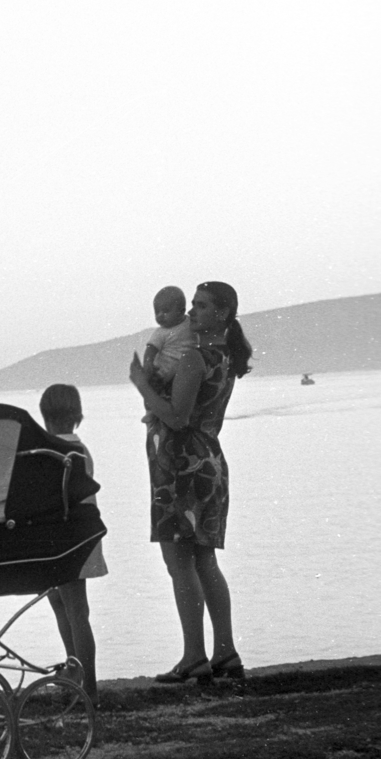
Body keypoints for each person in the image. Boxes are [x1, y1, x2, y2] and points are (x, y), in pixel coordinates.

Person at [129, 280, 253, 685]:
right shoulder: (224, 357)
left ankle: (194, 656)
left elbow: (177, 416)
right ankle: (225, 652)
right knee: (205, 560)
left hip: (182, 467)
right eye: (193, 306)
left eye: (201, 307)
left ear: (222, 313)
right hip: (210, 463)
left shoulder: (195, 359)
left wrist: (141, 384)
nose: (192, 313)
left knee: (179, 562)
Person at [38, 384, 105, 701]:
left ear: (45, 416)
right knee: (63, 602)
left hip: (65, 540)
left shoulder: (49, 452)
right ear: (76, 415)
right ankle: (76, 670)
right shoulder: (81, 450)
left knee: (76, 610)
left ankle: (87, 686)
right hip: (81, 536)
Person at [140, 286, 195, 423]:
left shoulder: (190, 323)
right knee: (152, 390)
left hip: (180, 372)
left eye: (165, 311)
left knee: (178, 396)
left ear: (181, 311)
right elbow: (151, 349)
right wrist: (148, 364)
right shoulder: (160, 332)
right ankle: (150, 411)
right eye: (157, 312)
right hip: (162, 372)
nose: (160, 316)